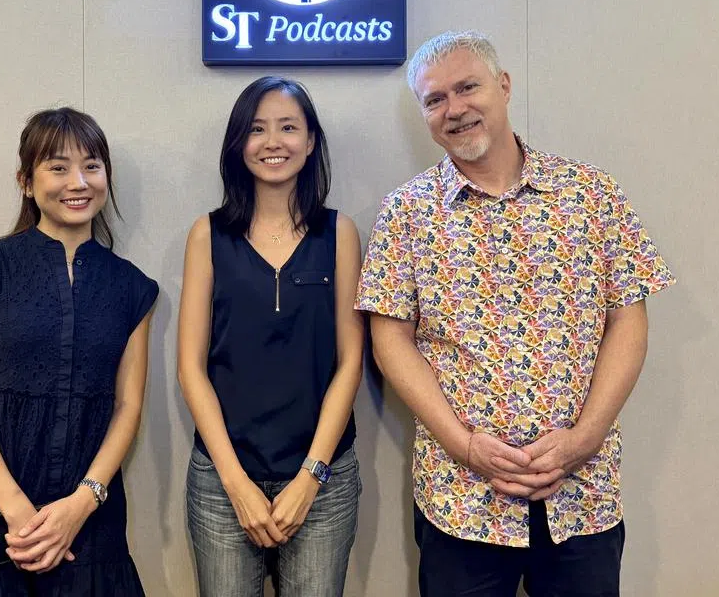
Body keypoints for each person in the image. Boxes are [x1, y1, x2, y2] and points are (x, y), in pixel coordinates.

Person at [356, 32, 675, 597]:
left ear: (503, 87)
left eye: (467, 87)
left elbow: (628, 319)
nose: (454, 109)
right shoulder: (406, 212)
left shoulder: (591, 195)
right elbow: (391, 342)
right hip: (462, 498)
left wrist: (586, 436)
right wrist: (465, 444)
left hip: (581, 492)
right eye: (435, 99)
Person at [0, 108, 158, 596]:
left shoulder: (132, 288)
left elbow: (128, 406)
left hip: (88, 522)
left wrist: (81, 503)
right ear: (25, 180)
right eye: (57, 167)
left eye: (92, 165)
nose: (77, 181)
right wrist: (20, 516)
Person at [177, 76, 364, 597]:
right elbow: (191, 367)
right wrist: (235, 484)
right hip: (222, 480)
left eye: (288, 128)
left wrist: (311, 476)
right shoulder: (207, 235)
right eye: (257, 130)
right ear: (239, 145)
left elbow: (351, 361)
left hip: (322, 478)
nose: (273, 142)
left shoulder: (339, 234)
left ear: (310, 142)